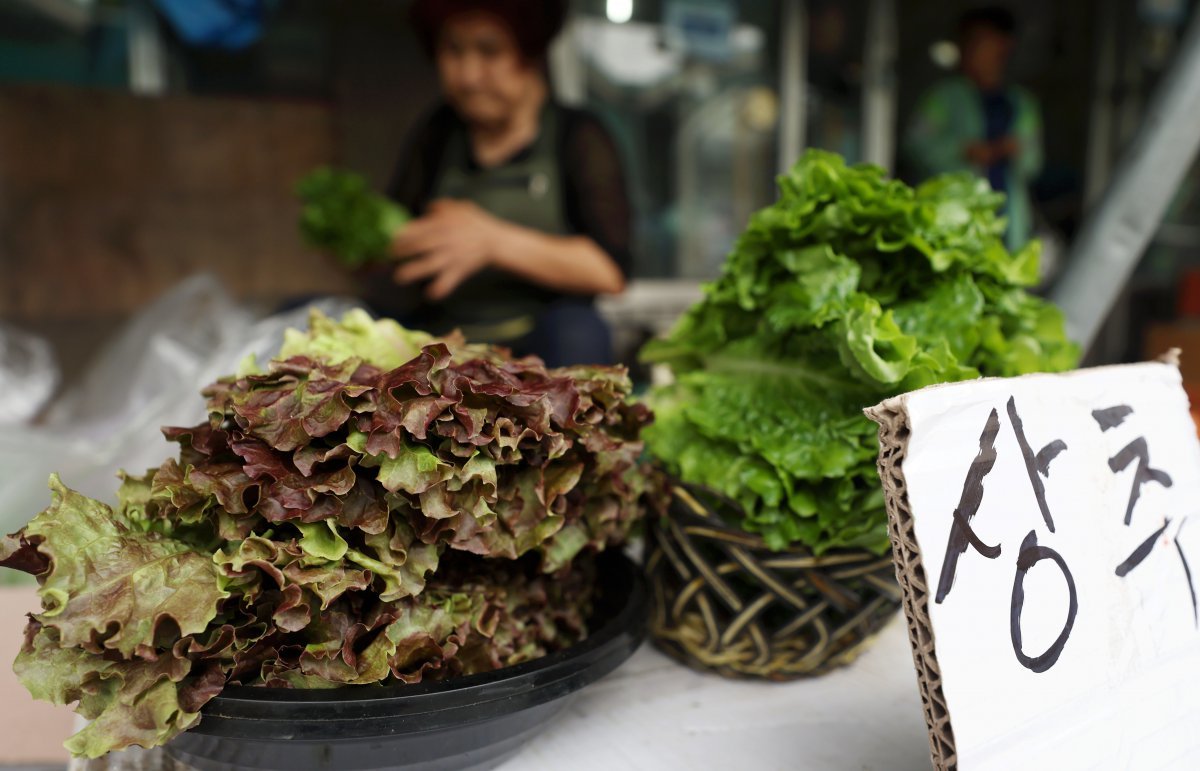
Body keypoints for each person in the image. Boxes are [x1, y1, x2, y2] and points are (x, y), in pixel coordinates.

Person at [361, 0, 631, 367]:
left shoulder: (577, 135)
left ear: (529, 52)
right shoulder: (438, 132)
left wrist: (492, 241)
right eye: (454, 51)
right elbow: (399, 237)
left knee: (581, 331)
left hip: (539, 343)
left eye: (489, 51)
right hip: (446, 338)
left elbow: (608, 273)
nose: (469, 75)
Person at [904, 6, 1043, 251]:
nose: (970, 50)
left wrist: (1012, 151)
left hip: (1009, 222)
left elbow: (1033, 162)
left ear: (1004, 45)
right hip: (950, 222)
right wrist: (964, 151)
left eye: (980, 41)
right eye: (967, 42)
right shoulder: (943, 98)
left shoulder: (1021, 104)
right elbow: (915, 144)